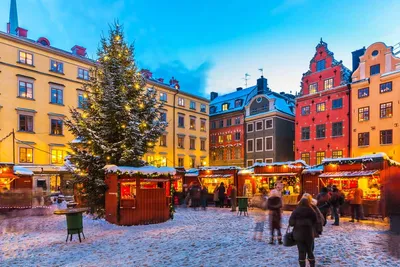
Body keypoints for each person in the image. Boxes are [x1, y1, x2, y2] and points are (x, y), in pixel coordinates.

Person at [289, 198, 317, 267]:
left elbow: (291, 223)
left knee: (301, 251)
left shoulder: (296, 211)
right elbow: (315, 221)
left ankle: (302, 265)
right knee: (310, 251)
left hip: (299, 235)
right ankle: (312, 265)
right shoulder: (312, 211)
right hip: (309, 234)